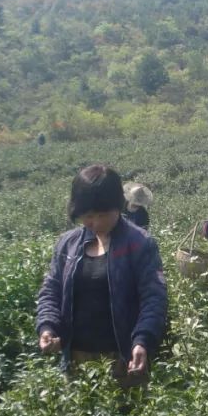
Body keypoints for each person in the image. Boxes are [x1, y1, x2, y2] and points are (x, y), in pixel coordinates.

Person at [36, 165, 168, 387]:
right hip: (76, 359)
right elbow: (52, 288)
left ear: (118, 207)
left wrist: (142, 340)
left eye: (102, 215)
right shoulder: (68, 244)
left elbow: (153, 298)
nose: (95, 223)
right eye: (88, 216)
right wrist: (48, 326)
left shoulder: (139, 244)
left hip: (123, 359)